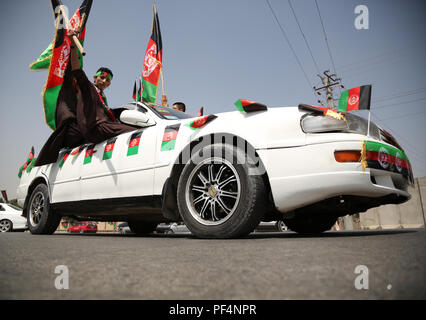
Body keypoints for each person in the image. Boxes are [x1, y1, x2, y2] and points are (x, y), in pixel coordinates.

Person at [35, 30, 136, 166]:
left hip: (103, 127)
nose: (105, 81)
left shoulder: (102, 99)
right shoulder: (87, 87)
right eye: (102, 77)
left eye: (108, 80)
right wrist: (72, 44)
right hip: (95, 127)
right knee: (135, 132)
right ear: (95, 78)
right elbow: (76, 70)